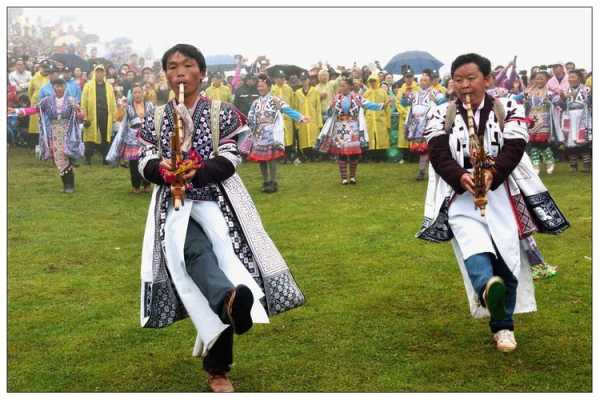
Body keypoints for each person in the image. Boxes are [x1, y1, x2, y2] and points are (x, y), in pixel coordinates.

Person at [136, 44, 304, 393]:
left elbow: (231, 157)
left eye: (187, 65)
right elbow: (143, 159)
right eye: (172, 66)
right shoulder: (155, 116)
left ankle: (221, 352)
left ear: (202, 72)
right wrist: (163, 171)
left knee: (222, 269)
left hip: (218, 200)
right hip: (175, 205)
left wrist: (196, 170)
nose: (179, 72)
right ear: (165, 74)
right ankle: (221, 352)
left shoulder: (222, 112)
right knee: (196, 256)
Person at [417, 53, 569, 353]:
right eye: (458, 79)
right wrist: (460, 177)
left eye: (471, 78)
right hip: (461, 197)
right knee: (474, 249)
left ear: (487, 80)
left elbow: (515, 145)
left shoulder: (508, 107)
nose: (464, 85)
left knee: (507, 258)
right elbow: (437, 152)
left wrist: (492, 175)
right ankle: (489, 291)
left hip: (503, 197)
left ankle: (502, 326)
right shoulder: (441, 113)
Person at [8, 78, 85, 192]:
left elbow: (80, 116)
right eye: (56, 86)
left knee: (65, 157)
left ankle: (69, 186)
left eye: (61, 86)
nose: (59, 88)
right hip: (53, 132)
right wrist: (18, 111)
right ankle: (68, 185)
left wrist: (79, 113)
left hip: (68, 133)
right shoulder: (47, 101)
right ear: (53, 88)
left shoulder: (71, 100)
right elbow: (35, 109)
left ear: (65, 87)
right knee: (59, 158)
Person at [241, 73, 310, 193]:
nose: (260, 88)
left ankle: (273, 181)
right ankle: (265, 181)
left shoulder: (275, 100)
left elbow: (286, 109)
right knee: (261, 159)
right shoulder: (255, 103)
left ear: (268, 87)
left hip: (271, 132)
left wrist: (300, 117)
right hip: (259, 134)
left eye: (262, 86)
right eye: (259, 86)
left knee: (271, 157)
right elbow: (250, 117)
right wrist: (248, 128)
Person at [316, 77, 387, 184]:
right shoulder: (337, 98)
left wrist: (382, 106)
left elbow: (368, 104)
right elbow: (329, 113)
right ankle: (344, 178)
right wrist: (331, 107)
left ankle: (352, 177)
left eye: (343, 85)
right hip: (339, 128)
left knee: (354, 153)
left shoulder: (357, 98)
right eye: (340, 86)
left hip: (353, 127)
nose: (341, 88)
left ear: (350, 86)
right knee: (341, 153)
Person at [107, 84, 154, 193]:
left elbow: (155, 119)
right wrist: (121, 108)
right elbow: (117, 118)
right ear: (132, 95)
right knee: (134, 164)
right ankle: (136, 186)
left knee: (148, 161)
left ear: (143, 93)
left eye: (139, 92)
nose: (137, 95)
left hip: (147, 138)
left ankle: (147, 185)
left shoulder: (150, 105)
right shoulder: (127, 106)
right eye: (135, 93)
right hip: (133, 139)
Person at [402, 70, 446, 180]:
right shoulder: (415, 93)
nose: (422, 82)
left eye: (425, 80)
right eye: (421, 80)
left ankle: (425, 171)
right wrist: (404, 96)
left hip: (430, 123)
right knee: (422, 149)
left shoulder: (435, 92)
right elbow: (404, 102)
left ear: (430, 81)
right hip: (416, 124)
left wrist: (435, 100)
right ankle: (424, 170)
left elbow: (444, 103)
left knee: (429, 147)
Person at [80, 64, 117, 165]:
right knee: (89, 137)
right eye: (97, 71)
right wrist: (85, 116)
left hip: (105, 115)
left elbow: (113, 102)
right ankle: (88, 158)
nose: (99, 74)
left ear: (104, 73)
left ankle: (105, 158)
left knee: (106, 137)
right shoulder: (88, 85)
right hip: (92, 115)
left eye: (101, 71)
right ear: (94, 73)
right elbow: (83, 102)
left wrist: (114, 116)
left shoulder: (109, 86)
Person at [559, 69, 592, 172]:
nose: (571, 79)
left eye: (573, 77)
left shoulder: (586, 89)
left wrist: (582, 100)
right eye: (570, 77)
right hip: (570, 118)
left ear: (579, 78)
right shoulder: (566, 90)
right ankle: (573, 165)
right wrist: (563, 99)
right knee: (570, 142)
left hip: (582, 117)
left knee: (583, 141)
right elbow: (562, 106)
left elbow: (590, 102)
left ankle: (587, 165)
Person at [524, 71, 555, 174]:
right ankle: (535, 163)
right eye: (537, 78)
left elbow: (557, 102)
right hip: (532, 118)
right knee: (533, 142)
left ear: (546, 80)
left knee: (543, 141)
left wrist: (549, 102)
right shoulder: (529, 92)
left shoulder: (549, 92)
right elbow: (522, 102)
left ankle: (549, 160)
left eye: (541, 78)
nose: (539, 81)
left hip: (544, 118)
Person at [293, 74, 323, 161]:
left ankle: (314, 156)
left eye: (305, 80)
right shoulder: (297, 93)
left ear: (308, 80)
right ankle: (306, 156)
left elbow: (318, 108)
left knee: (313, 138)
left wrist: (319, 123)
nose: (304, 82)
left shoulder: (315, 91)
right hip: (302, 120)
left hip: (313, 119)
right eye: (302, 80)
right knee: (304, 139)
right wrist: (297, 123)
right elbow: (295, 108)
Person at [363, 73, 391, 161]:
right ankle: (372, 157)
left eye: (374, 81)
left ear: (377, 81)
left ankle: (382, 157)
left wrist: (388, 122)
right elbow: (363, 107)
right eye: (370, 81)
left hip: (381, 119)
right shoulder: (366, 93)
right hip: (370, 120)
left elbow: (387, 108)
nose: (372, 83)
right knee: (371, 137)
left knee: (382, 138)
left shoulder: (382, 92)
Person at [269, 70, 296, 157]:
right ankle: (279, 155)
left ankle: (288, 154)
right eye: (278, 78)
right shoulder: (272, 89)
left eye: (282, 78)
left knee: (288, 136)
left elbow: (292, 103)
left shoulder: (289, 89)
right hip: (276, 116)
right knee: (278, 134)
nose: (280, 80)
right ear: (275, 79)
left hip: (287, 116)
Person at [27, 60, 50, 147]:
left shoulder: (50, 77)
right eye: (43, 67)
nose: (45, 69)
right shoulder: (34, 78)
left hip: (47, 104)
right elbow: (30, 91)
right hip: (35, 103)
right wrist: (33, 100)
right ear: (40, 67)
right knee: (34, 125)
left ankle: (46, 143)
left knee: (45, 123)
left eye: (46, 67)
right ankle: (34, 144)